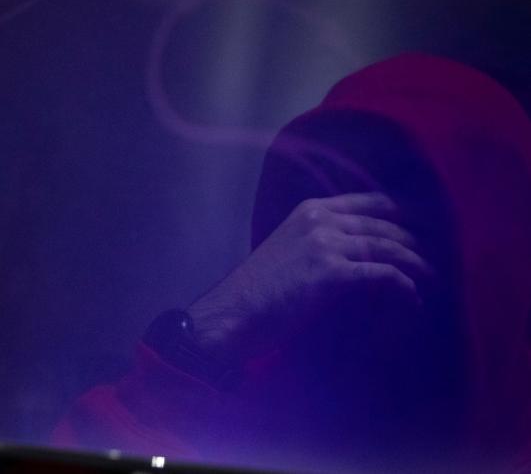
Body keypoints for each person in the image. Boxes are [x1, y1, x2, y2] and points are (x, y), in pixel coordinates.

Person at [53, 53, 531, 473]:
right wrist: (215, 325)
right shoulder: (252, 411)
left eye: (403, 217)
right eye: (308, 221)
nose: (336, 252)